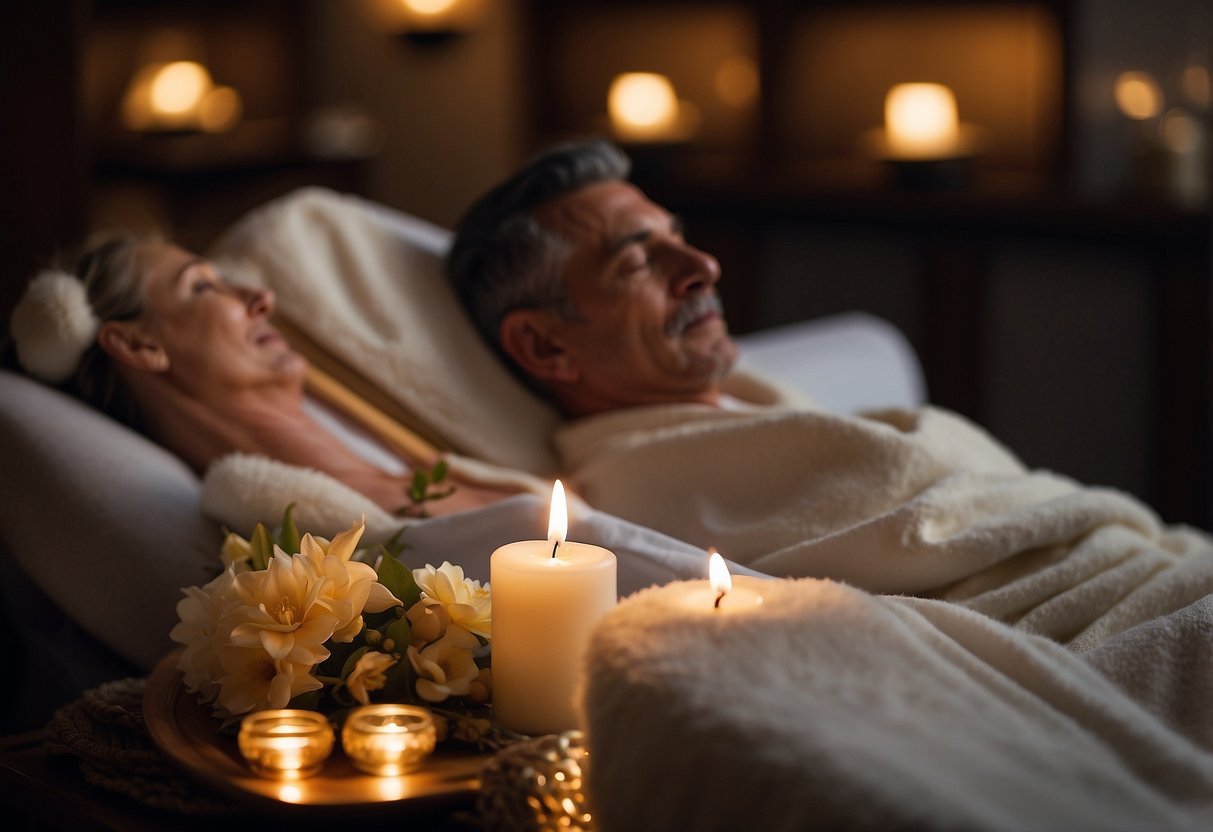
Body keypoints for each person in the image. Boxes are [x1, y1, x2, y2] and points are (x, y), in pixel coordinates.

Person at [448, 137, 1213, 657]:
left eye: (676, 235)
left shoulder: (742, 404)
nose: (702, 265)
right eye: (635, 262)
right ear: (545, 345)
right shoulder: (641, 481)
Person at [8, 230, 528, 519]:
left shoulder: (397, 469)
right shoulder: (321, 536)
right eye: (203, 288)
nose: (260, 298)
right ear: (138, 344)